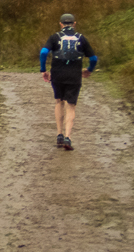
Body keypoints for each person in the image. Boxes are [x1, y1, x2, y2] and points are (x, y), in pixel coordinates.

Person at [40, 13, 98, 151]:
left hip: (57, 74)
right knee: (71, 105)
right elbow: (94, 58)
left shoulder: (55, 37)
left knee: (58, 101)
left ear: (61, 24)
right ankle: (67, 137)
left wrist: (44, 70)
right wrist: (89, 69)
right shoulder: (81, 38)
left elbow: (43, 52)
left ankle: (59, 134)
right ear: (74, 23)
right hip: (74, 75)